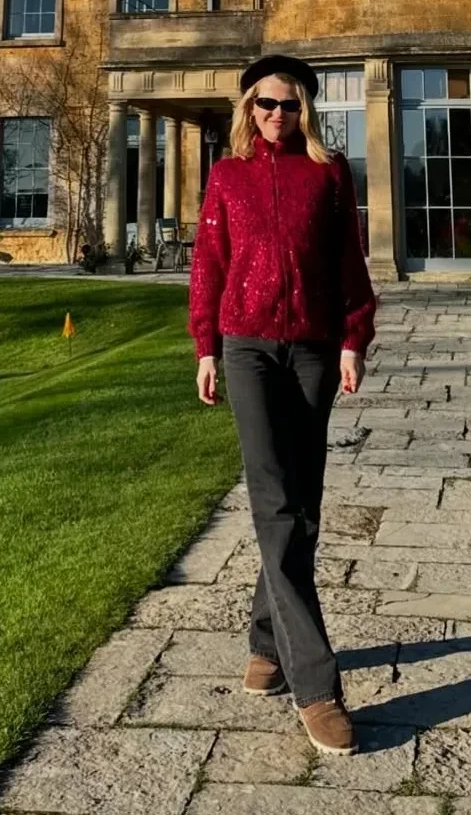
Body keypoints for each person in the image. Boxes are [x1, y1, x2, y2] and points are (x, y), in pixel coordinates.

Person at [188, 54, 376, 757]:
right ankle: (316, 685)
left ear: (306, 110)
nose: (276, 115)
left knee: (304, 505)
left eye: (289, 105)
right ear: (248, 108)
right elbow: (209, 262)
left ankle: (267, 642)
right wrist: (205, 347)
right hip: (246, 349)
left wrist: (353, 338)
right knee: (273, 502)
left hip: (314, 349)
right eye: (265, 104)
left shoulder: (329, 174)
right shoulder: (227, 175)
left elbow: (349, 262)